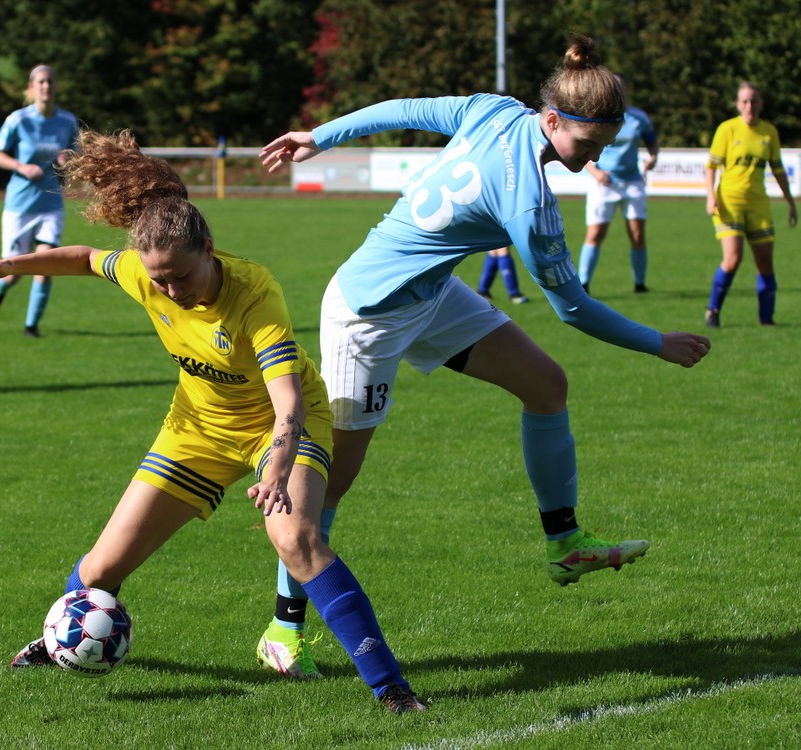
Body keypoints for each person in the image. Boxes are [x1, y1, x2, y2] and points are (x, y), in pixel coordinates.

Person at [256, 35, 712, 674]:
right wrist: (657, 343)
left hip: (432, 293)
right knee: (336, 478)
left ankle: (565, 542)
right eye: (587, 144)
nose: (593, 157)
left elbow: (404, 109)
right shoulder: (529, 203)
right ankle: (284, 623)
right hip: (369, 312)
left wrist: (320, 135)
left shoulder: (494, 109)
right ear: (553, 120)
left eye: (605, 144)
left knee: (546, 385)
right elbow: (573, 307)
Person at [0, 129, 426, 714]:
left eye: (181, 276)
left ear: (209, 249)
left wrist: (275, 471)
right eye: (160, 280)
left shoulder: (253, 294)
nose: (171, 289)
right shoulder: (147, 274)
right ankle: (64, 638)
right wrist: (6, 265)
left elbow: (290, 406)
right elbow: (83, 258)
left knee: (295, 537)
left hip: (281, 426)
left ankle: (390, 687)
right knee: (99, 568)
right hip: (196, 430)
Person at [0, 64, 79, 337]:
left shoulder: (67, 121)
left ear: (56, 86)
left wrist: (67, 161)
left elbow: (76, 156)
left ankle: (31, 327)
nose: (46, 86)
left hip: (51, 204)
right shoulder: (18, 120)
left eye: (50, 81)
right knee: (12, 272)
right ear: (32, 87)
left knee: (46, 265)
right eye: (41, 82)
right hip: (19, 206)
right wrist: (21, 167)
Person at [704, 81, 797, 327]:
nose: (749, 105)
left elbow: (777, 170)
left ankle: (767, 319)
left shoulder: (769, 132)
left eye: (754, 100)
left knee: (765, 261)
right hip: (729, 202)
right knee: (733, 258)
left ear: (761, 103)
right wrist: (710, 196)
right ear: (738, 104)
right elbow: (711, 166)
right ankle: (713, 310)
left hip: (758, 204)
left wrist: (790, 202)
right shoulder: (727, 129)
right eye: (744, 101)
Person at [578, 74, 660, 294]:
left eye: (620, 88)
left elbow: (653, 143)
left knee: (637, 235)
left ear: (627, 90)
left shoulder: (638, 118)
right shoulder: (596, 116)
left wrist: (653, 158)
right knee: (595, 234)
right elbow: (581, 149)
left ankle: (640, 284)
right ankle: (583, 284)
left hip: (632, 182)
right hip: (604, 183)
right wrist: (595, 172)